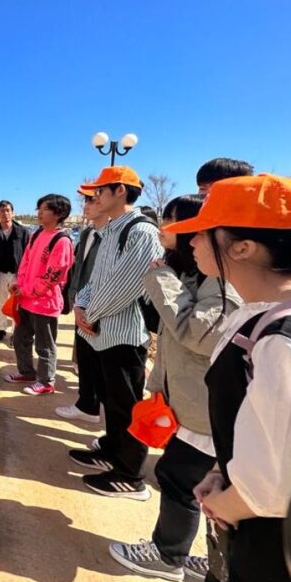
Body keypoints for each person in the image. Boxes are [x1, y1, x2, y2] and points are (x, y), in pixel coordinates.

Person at [163, 174, 291, 582]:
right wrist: (220, 471)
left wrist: (227, 504)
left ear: (243, 247)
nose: (191, 242)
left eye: (204, 233)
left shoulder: (284, 342)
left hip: (273, 548)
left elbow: (280, 481)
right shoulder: (263, 313)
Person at [108, 194, 241, 582]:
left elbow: (196, 335)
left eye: (176, 224)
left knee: (182, 479)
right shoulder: (193, 274)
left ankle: (169, 556)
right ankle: (208, 560)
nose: (167, 230)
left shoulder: (220, 284)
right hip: (190, 401)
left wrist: (160, 278)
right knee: (189, 479)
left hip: (205, 409)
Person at [68, 166, 164, 501]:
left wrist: (88, 314)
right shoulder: (111, 231)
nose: (93, 198)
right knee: (112, 400)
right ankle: (111, 449)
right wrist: (81, 307)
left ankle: (130, 476)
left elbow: (125, 286)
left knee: (127, 405)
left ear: (120, 191)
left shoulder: (141, 232)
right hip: (98, 331)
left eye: (99, 192)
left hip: (122, 335)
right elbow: (95, 281)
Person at [4, 194, 74, 395]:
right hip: (26, 301)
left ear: (58, 213)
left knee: (45, 347)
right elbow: (25, 262)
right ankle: (26, 372)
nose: (39, 213)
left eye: (44, 209)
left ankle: (46, 381)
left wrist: (26, 289)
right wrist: (18, 282)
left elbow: (52, 277)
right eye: (39, 209)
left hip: (45, 304)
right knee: (20, 339)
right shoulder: (36, 235)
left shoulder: (62, 241)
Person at [55, 187, 109, 424]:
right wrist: (75, 299)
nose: (86, 205)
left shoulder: (114, 235)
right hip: (81, 305)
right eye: (85, 201)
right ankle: (87, 405)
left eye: (92, 201)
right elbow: (78, 270)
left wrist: (93, 308)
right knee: (85, 359)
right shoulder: (87, 234)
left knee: (101, 364)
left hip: (101, 309)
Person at [0, 200, 30, 341]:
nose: (5, 213)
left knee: (17, 304)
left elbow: (28, 254)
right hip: (0, 274)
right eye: (2, 211)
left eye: (8, 210)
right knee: (0, 302)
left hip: (18, 274)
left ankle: (16, 332)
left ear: (13, 212)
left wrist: (27, 275)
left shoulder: (22, 232)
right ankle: (1, 329)